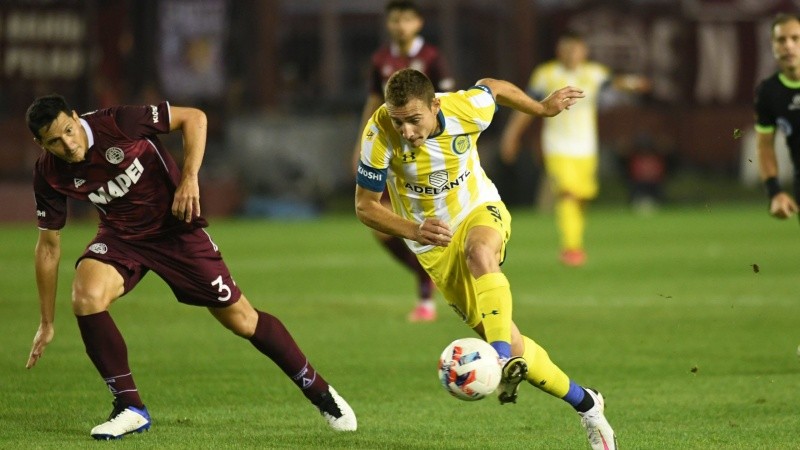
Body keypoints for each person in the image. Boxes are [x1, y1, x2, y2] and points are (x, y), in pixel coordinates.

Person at [24, 95, 357, 439]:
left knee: (242, 320)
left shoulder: (117, 123)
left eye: (69, 130)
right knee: (85, 297)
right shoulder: (48, 173)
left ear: (76, 117)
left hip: (176, 230)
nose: (68, 143)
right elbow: (48, 248)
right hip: (122, 237)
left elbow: (195, 118)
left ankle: (319, 392)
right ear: (41, 144)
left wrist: (190, 177)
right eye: (55, 141)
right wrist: (47, 322)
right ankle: (130, 407)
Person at [354, 68, 617, 450]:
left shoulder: (464, 109)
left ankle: (498, 356)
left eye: (414, 119)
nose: (407, 131)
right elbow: (364, 207)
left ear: (434, 105)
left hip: (479, 208)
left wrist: (541, 109)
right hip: (433, 245)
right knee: (516, 344)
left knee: (479, 252)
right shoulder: (379, 135)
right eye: (399, 121)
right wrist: (413, 230)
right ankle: (588, 404)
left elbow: (494, 88)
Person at [500, 30, 650, 267]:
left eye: (576, 49)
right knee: (567, 193)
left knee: (582, 196)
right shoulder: (546, 74)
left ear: (584, 51)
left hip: (586, 148)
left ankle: (574, 241)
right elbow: (528, 104)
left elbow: (615, 82)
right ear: (559, 51)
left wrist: (634, 83)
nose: (571, 54)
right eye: (566, 49)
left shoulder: (593, 73)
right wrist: (511, 134)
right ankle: (572, 248)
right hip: (557, 147)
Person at [352, 0, 454, 322]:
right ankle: (428, 278)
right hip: (391, 151)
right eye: (395, 20)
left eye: (407, 19)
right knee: (382, 228)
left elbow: (449, 100)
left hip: (426, 152)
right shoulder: (380, 59)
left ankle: (427, 297)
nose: (400, 26)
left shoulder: (432, 58)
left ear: (419, 23)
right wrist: (361, 144)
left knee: (422, 223)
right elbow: (373, 102)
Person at [755, 13, 800, 221]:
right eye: (781, 40)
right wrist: (775, 192)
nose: (788, 46)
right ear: (772, 46)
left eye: (795, 38)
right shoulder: (769, 92)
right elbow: (765, 145)